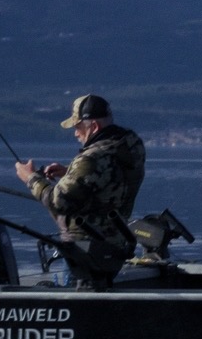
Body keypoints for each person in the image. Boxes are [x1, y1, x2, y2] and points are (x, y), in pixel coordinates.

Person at [15, 95, 146, 276]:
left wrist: (30, 178)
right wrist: (69, 172)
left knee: (75, 287)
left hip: (85, 249)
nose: (76, 133)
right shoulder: (130, 146)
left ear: (94, 126)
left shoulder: (91, 158)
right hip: (116, 245)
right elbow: (112, 176)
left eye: (78, 127)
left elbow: (58, 202)